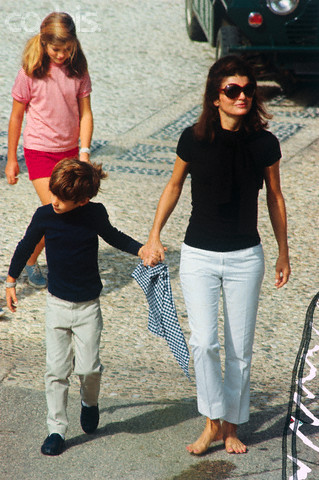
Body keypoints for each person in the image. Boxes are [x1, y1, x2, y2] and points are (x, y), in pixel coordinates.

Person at [139, 55, 291, 455]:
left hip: (246, 257)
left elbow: (275, 197)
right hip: (199, 255)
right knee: (204, 342)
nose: (241, 96)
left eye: (247, 89)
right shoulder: (193, 139)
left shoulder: (265, 143)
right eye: (232, 90)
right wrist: (154, 235)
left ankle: (232, 426)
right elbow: (173, 186)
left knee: (240, 348)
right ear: (215, 96)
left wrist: (283, 252)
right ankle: (210, 421)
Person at [6, 158, 143, 456]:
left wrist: (141, 249)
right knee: (55, 370)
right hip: (56, 305)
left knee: (89, 368)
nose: (53, 201)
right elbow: (26, 245)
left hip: (88, 308)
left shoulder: (94, 214)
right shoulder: (45, 215)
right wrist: (10, 281)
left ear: (82, 200)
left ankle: (89, 402)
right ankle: (56, 429)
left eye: (61, 198)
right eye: (53, 194)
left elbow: (114, 236)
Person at [5, 12, 93, 288]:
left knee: (67, 210)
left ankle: (32, 258)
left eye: (68, 49)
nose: (62, 55)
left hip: (68, 153)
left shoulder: (78, 69)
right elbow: (16, 117)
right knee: (57, 210)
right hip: (39, 152)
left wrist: (85, 152)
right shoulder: (30, 72)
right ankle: (53, 269)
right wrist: (11, 159)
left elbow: (86, 114)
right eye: (57, 49)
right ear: (44, 44)